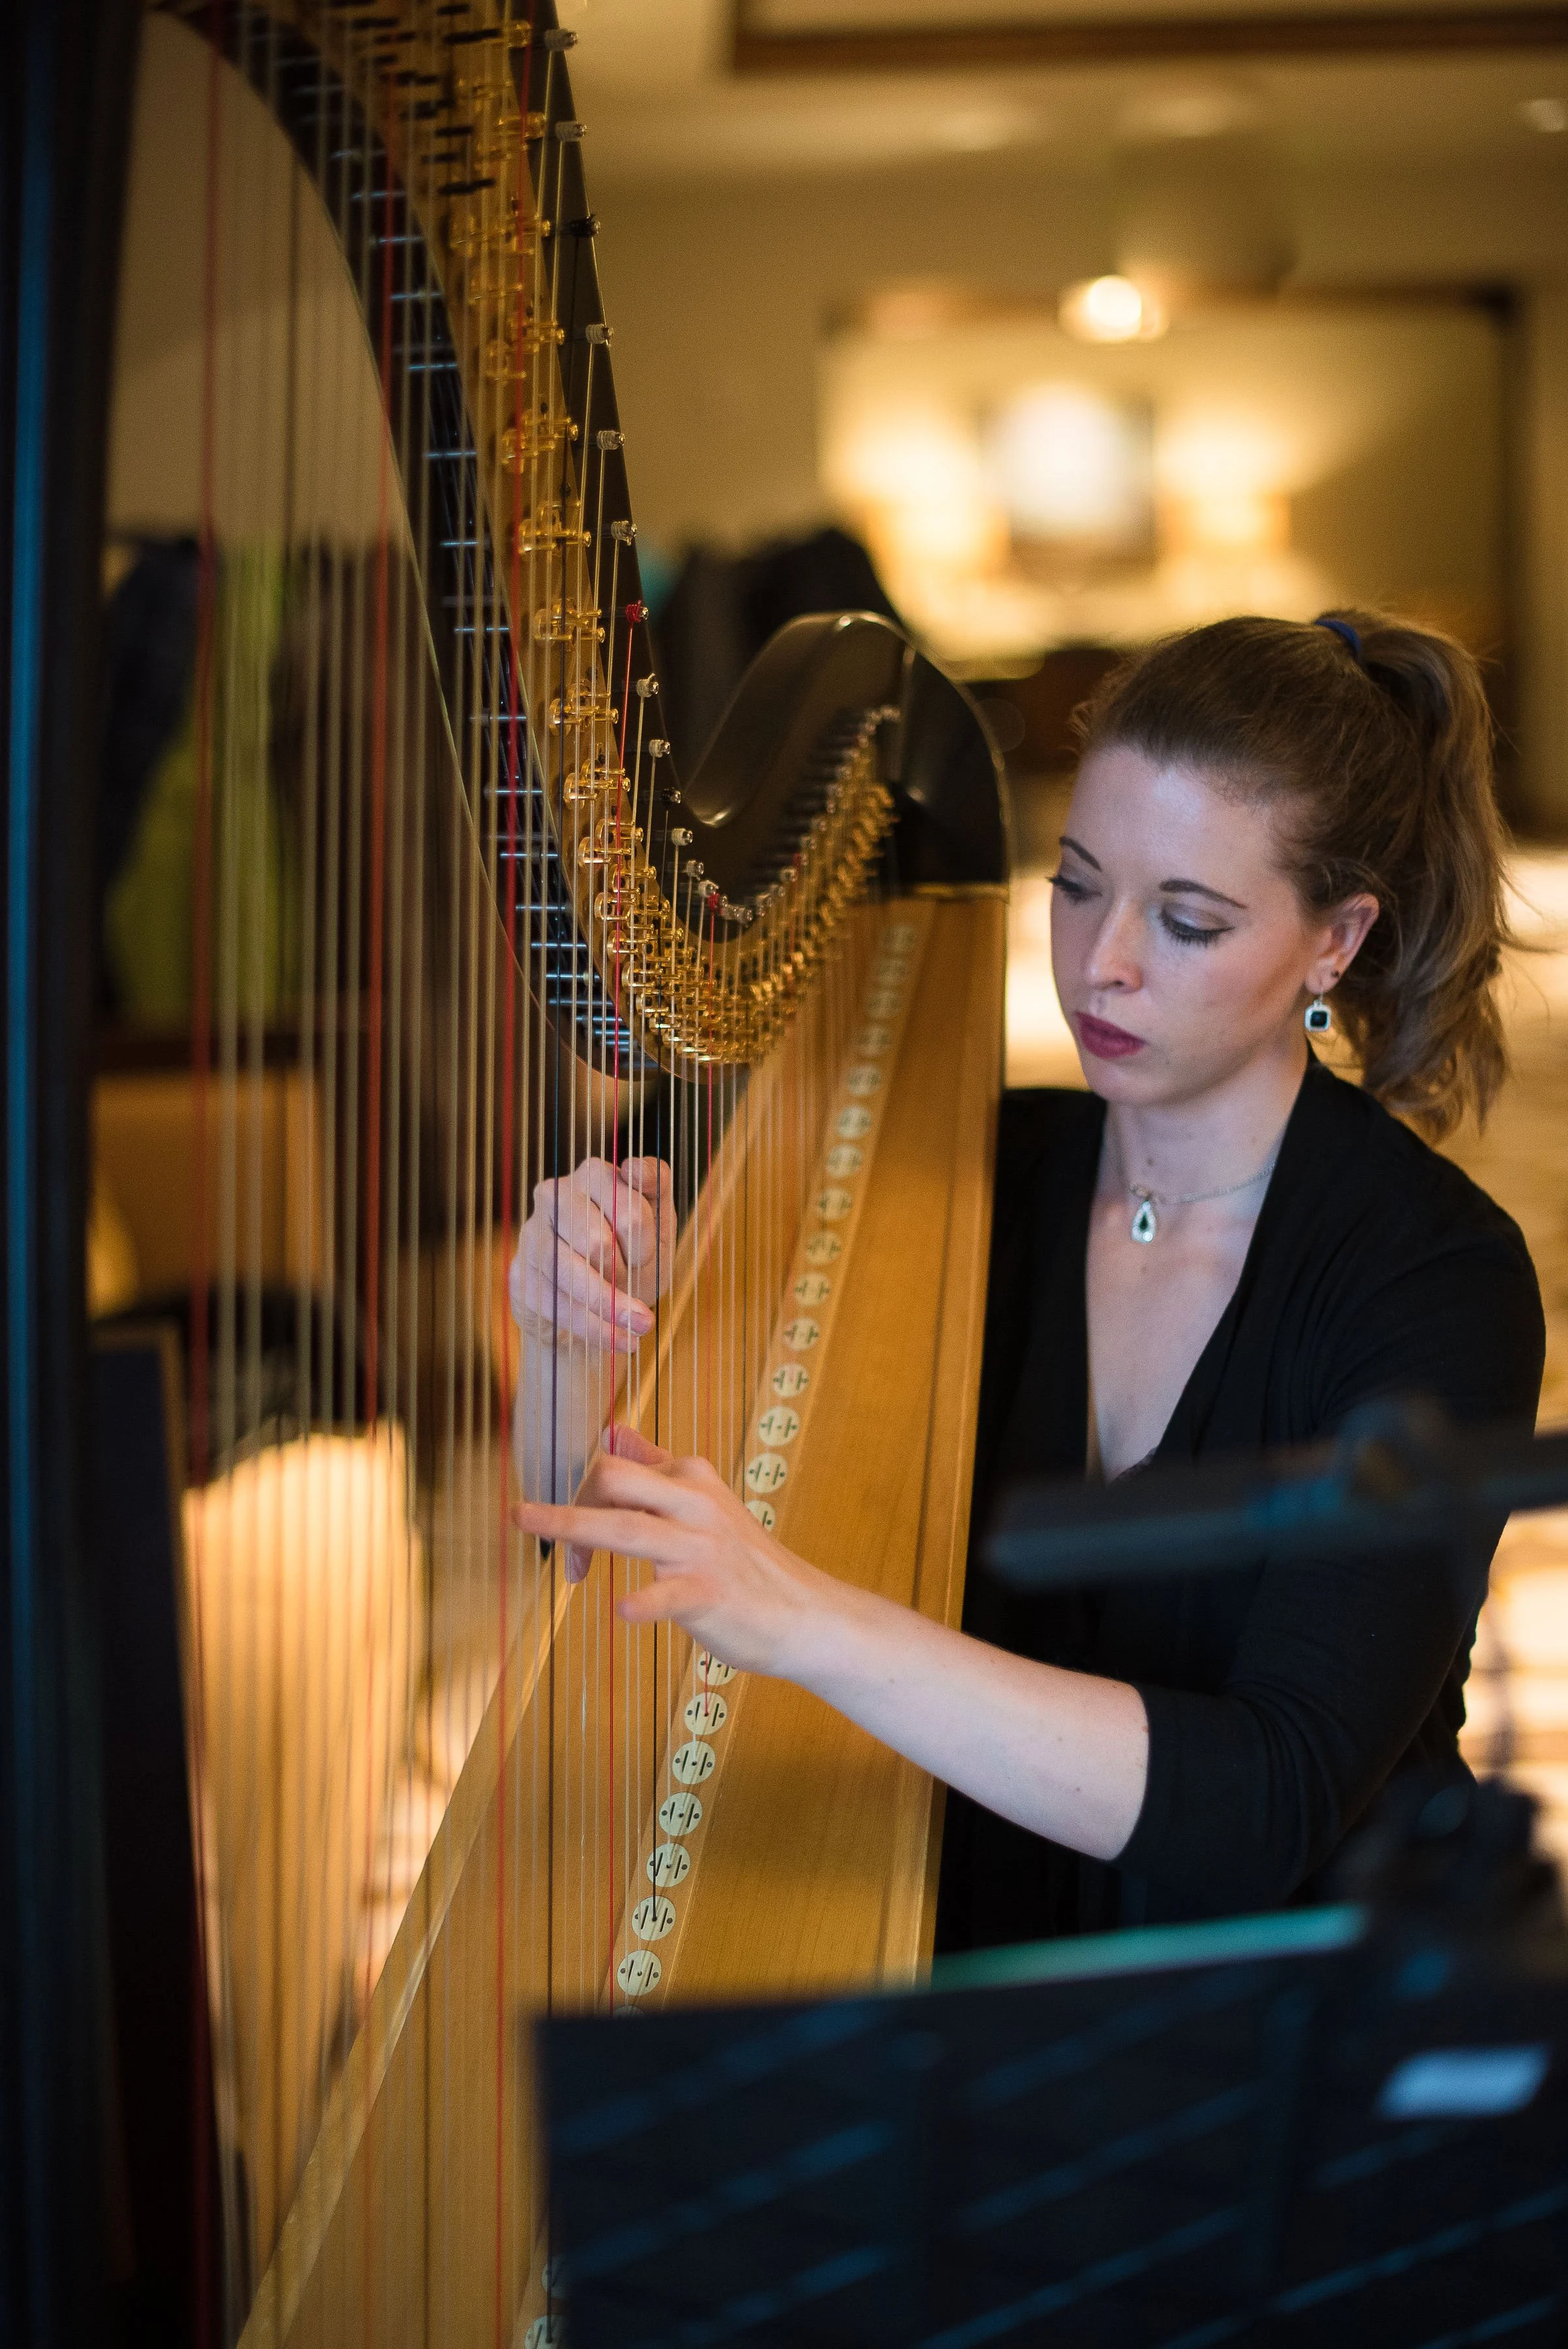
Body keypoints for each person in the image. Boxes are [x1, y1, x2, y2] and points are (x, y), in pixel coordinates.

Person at [510, 611, 1545, 1944]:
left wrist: (807, 1618)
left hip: (1286, 2025)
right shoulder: (963, 1174)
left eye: (1185, 919)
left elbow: (1269, 1804)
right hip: (976, 1960)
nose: (1100, 962)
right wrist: (566, 1336)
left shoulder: (1433, 1284)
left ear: (1333, 942)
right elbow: (586, 1543)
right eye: (1074, 884)